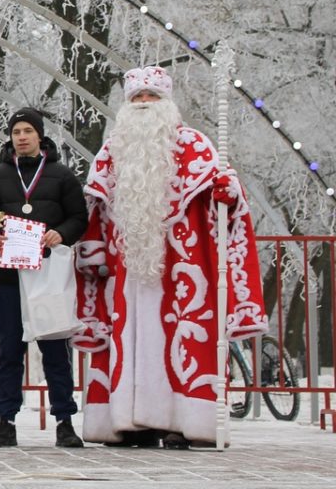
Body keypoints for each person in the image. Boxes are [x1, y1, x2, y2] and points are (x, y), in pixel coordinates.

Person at [74, 66, 268, 448]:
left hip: (182, 268)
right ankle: (128, 422)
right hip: (125, 269)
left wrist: (229, 193)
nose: (145, 104)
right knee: (127, 342)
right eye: (137, 98)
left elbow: (222, 201)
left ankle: (183, 422)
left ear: (167, 102)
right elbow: (95, 209)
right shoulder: (113, 149)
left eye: (152, 97)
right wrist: (93, 251)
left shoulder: (197, 145)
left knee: (183, 341)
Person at [0, 108, 86, 448]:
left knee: (55, 349)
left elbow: (78, 218)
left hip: (47, 276)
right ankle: (5, 421)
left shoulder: (61, 175)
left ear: (40, 135)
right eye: (16, 132)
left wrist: (60, 234)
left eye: (27, 131)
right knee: (9, 351)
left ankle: (65, 421)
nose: (21, 137)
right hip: (10, 277)